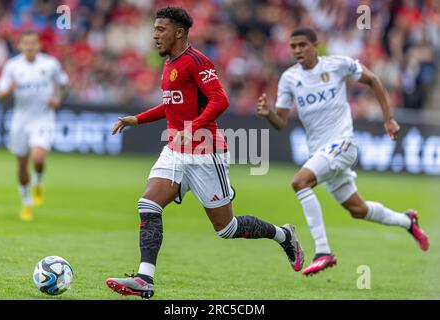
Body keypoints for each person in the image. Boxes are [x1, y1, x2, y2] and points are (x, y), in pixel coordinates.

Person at [106, 6, 304, 299]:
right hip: (175, 151)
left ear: (180, 32)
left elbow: (220, 99)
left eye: (161, 30)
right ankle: (144, 278)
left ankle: (284, 235)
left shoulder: (196, 61)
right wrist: (139, 118)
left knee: (226, 228)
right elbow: (171, 104)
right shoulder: (170, 63)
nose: (155, 35)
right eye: (155, 29)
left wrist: (194, 127)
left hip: (204, 153)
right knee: (148, 204)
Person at [257, 27, 429, 276]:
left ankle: (323, 252)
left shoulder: (337, 65)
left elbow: (373, 80)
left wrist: (388, 119)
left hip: (343, 144)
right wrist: (269, 114)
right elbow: (281, 121)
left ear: (316, 45)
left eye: (302, 45)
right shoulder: (289, 79)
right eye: (293, 46)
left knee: (300, 182)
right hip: (321, 152)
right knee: (358, 210)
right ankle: (407, 221)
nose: (297, 51)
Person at [0, 30, 68, 221]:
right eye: (25, 43)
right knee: (21, 163)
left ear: (38, 45)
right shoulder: (12, 66)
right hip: (20, 119)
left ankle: (38, 181)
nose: (29, 46)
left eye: (33, 43)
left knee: (37, 157)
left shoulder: (50, 64)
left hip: (43, 118)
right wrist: (8, 91)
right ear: (20, 46)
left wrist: (57, 98)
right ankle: (26, 201)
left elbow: (63, 84)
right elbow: (0, 94)